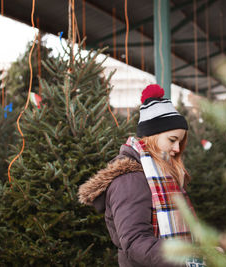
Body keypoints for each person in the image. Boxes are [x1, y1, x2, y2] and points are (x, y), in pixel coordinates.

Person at [78, 84, 202, 267]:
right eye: (172, 140)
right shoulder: (130, 179)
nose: (177, 149)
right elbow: (136, 243)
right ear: (152, 136)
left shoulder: (159, 173)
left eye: (180, 142)